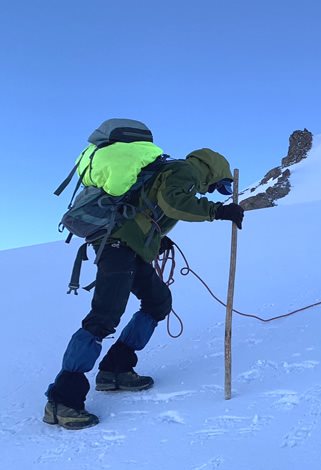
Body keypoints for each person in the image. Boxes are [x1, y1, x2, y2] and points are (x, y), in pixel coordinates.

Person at [44, 119, 245, 430]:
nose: (215, 191)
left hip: (129, 245)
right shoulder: (185, 171)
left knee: (157, 302)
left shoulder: (171, 172)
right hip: (116, 243)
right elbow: (173, 202)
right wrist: (217, 212)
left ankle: (115, 370)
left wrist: (155, 238)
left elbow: (150, 206)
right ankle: (62, 400)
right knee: (105, 315)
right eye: (218, 185)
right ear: (212, 170)